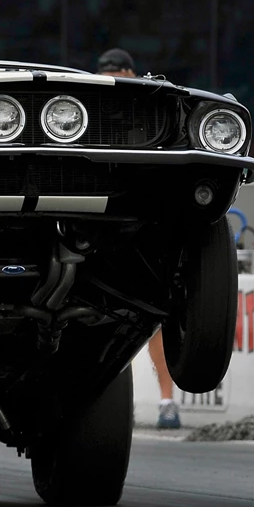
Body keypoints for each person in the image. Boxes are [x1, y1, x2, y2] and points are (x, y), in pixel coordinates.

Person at [97, 47, 180, 429]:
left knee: (155, 321)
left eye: (119, 73)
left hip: (142, 227)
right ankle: (101, 404)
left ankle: (167, 402)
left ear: (131, 73)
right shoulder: (90, 111)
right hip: (101, 230)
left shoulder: (151, 109)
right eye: (107, 74)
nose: (114, 79)